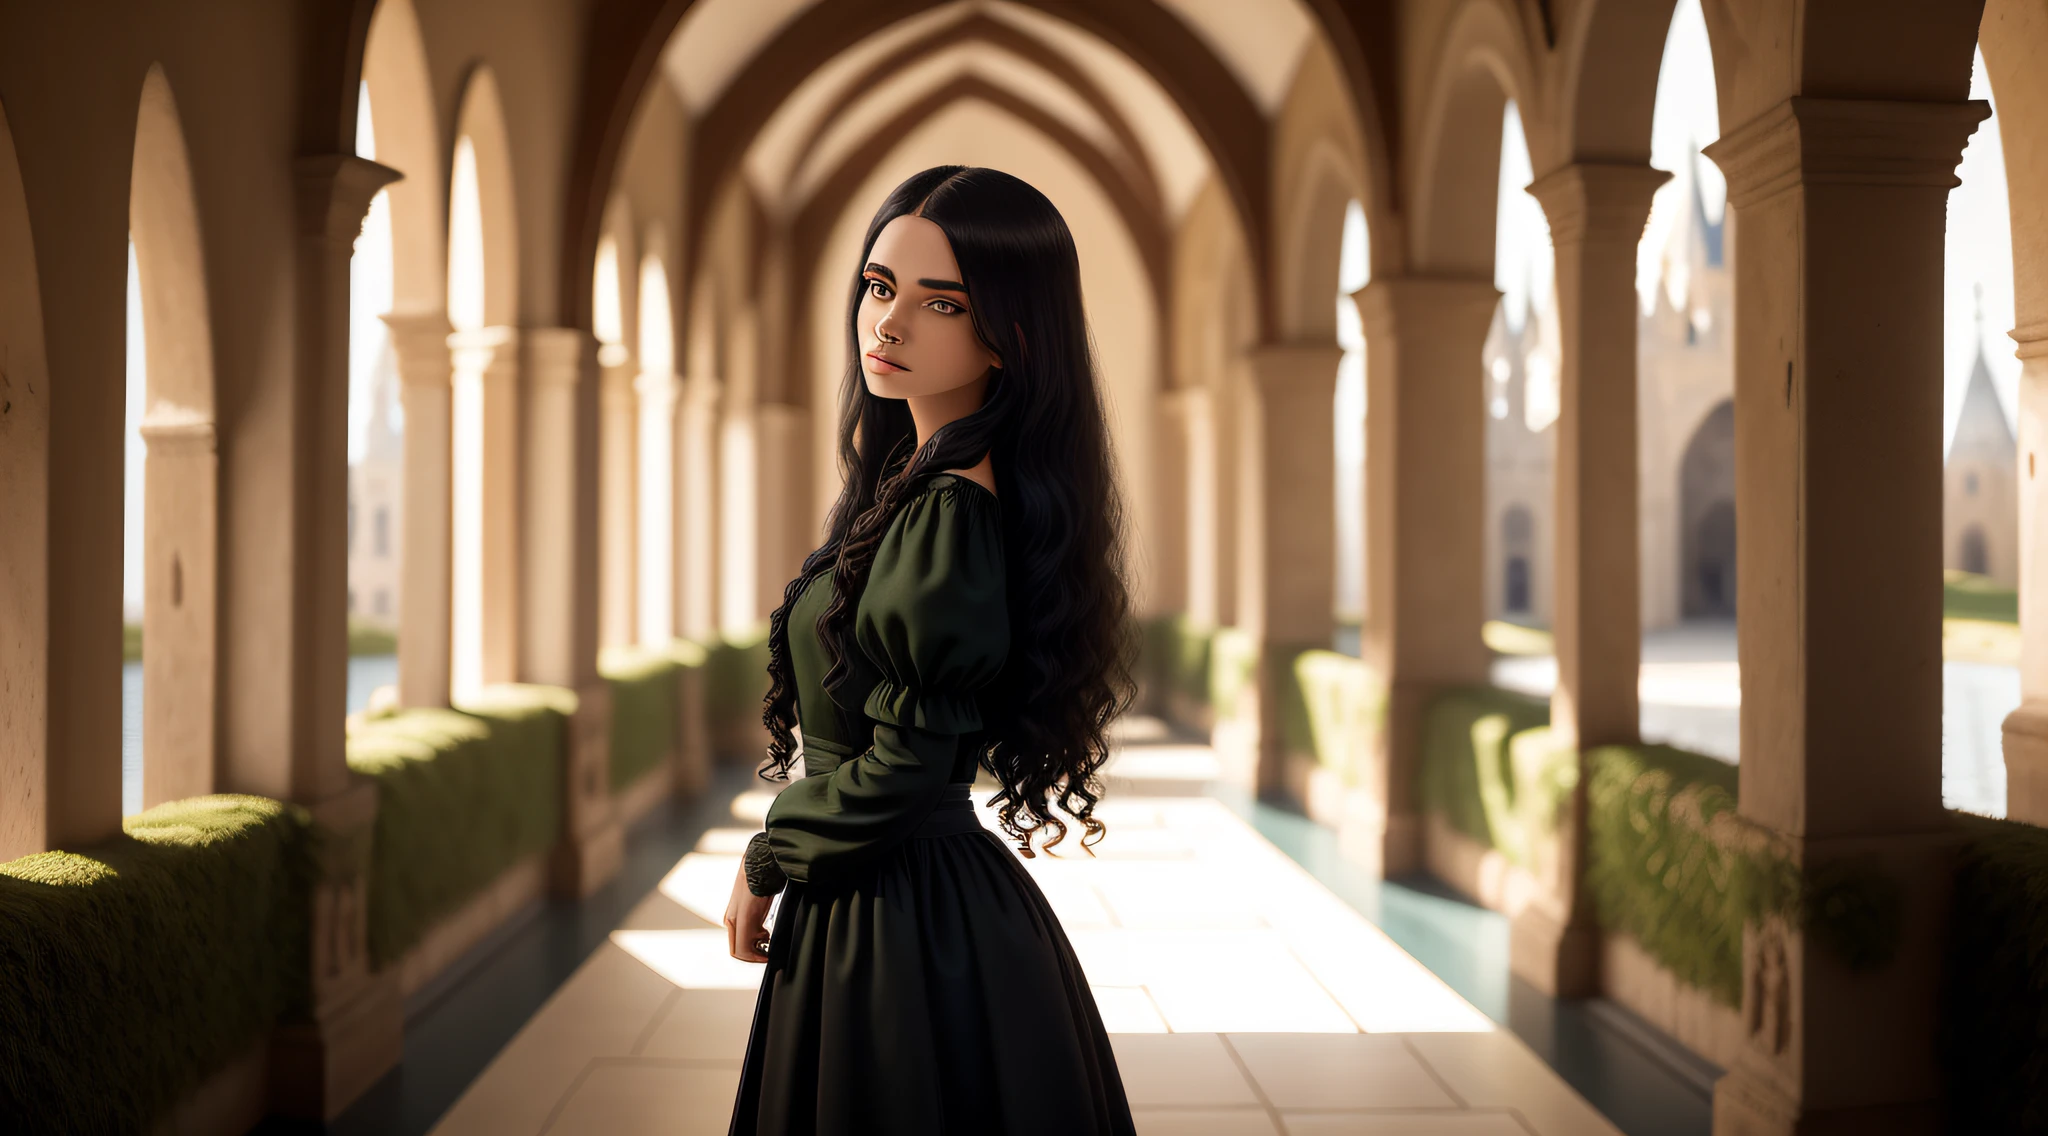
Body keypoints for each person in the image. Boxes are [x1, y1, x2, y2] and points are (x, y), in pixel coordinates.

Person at [723, 165, 1139, 1136]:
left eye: (938, 301)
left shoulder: (949, 509)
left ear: (1009, 335)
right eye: (878, 286)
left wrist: (768, 852)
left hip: (894, 917)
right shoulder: (919, 485)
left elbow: (905, 763)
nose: (889, 323)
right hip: (888, 897)